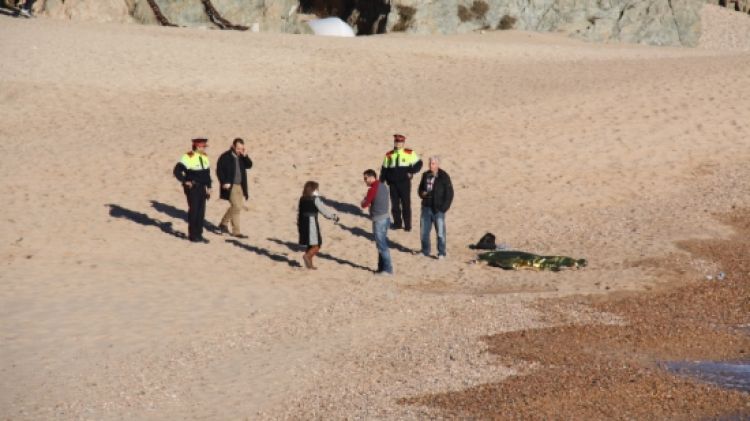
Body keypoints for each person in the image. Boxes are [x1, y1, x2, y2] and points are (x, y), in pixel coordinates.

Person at [380, 134, 422, 232]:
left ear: (403, 143)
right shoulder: (389, 154)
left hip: (404, 183)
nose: (398, 144)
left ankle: (407, 225)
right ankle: (397, 223)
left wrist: (411, 171)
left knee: (406, 204)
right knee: (395, 205)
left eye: (400, 142)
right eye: (396, 142)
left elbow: (419, 163)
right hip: (393, 184)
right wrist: (381, 182)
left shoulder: (409, 153)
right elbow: (384, 169)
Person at [173, 137, 213, 243]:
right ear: (197, 146)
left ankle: (199, 234)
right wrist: (185, 181)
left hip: (202, 188)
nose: (205, 148)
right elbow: (177, 171)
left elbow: (207, 174)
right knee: (194, 211)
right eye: (203, 146)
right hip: (193, 188)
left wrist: (209, 187)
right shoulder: (188, 156)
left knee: (201, 212)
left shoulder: (204, 156)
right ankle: (193, 235)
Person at [216, 138, 253, 238]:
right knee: (236, 206)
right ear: (233, 146)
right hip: (230, 186)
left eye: (241, 149)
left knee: (238, 208)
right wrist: (224, 182)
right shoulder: (225, 157)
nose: (239, 151)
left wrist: (245, 156)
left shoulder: (241, 156)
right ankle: (223, 223)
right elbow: (219, 170)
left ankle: (236, 231)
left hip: (240, 185)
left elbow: (249, 165)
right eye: (238, 148)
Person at [417, 156, 454, 259]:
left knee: (440, 233)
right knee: (424, 232)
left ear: (438, 164)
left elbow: (449, 193)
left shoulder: (444, 176)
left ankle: (441, 253)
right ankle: (425, 251)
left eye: (433, 163)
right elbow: (420, 189)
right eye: (430, 163)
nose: (430, 165)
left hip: (438, 209)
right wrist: (422, 194)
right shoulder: (425, 175)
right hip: (426, 207)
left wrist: (443, 208)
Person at [297, 181, 339, 269]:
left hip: (302, 223)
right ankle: (307, 256)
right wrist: (333, 216)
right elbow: (324, 211)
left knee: (310, 244)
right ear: (313, 190)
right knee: (317, 245)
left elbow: (299, 212)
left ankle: (310, 265)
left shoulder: (302, 198)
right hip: (311, 223)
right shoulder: (315, 199)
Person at [361, 169, 393, 276]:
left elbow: (364, 204)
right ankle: (381, 268)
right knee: (382, 244)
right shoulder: (383, 186)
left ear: (371, 177)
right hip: (386, 218)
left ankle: (387, 269)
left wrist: (364, 200)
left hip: (379, 220)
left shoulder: (373, 189)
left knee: (382, 245)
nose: (365, 181)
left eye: (366, 178)